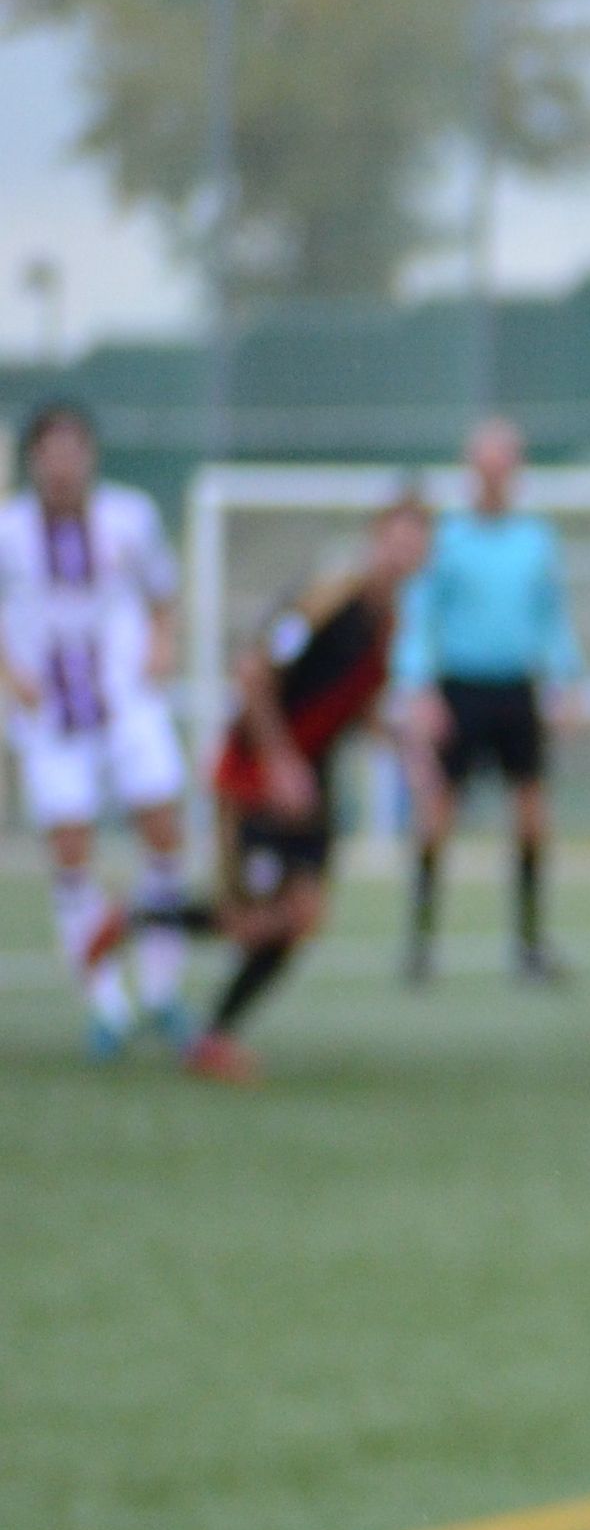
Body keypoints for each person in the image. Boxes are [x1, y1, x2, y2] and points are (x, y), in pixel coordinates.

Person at [150, 484, 435, 1081]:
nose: (403, 551)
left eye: (417, 540)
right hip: (257, 774)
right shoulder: (329, 597)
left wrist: (407, 739)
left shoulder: (390, 623)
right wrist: (279, 761)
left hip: (311, 784)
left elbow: (352, 707)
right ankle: (139, 921)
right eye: (395, 536)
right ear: (374, 538)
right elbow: (254, 671)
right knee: (252, 918)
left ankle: (212, 1038)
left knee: (301, 916)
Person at [3, 398, 197, 1054]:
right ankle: (106, 1004)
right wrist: (11, 674)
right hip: (50, 719)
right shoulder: (9, 531)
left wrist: (163, 642)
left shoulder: (130, 517)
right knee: (70, 851)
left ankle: (164, 991)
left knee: (165, 832)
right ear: (32, 461)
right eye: (49, 452)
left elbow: (163, 594)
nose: (61, 465)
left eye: (72, 450)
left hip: (126, 704)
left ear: (89, 456)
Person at [396, 416, 580, 988]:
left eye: (506, 463)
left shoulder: (536, 540)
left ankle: (528, 946)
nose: (496, 474)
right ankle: (420, 944)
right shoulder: (446, 540)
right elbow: (420, 616)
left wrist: (567, 679)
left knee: (530, 816)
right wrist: (419, 686)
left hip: (515, 690)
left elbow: (551, 618)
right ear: (472, 469)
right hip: (460, 689)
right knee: (436, 816)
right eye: (487, 464)